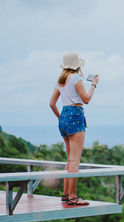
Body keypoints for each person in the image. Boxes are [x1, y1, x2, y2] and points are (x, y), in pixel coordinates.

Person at [49, 52, 99, 205]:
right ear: (77, 65)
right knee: (75, 160)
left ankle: (66, 194)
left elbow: (52, 104)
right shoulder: (76, 78)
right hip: (75, 115)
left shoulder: (60, 80)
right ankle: (72, 196)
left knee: (69, 159)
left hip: (63, 116)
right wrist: (94, 84)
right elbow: (86, 99)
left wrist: (61, 118)